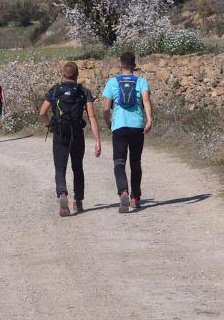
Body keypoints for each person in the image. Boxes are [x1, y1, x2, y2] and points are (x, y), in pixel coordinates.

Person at [39, 62, 101, 216]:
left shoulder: (55, 89)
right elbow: (92, 117)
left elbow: (42, 112)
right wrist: (97, 140)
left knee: (60, 168)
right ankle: (78, 201)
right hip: (77, 133)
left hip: (60, 132)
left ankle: (62, 195)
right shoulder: (83, 91)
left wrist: (49, 125)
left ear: (63, 74)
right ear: (77, 74)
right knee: (77, 167)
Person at [102, 51, 153, 213]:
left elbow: (105, 107)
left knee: (119, 162)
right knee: (135, 163)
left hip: (119, 127)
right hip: (137, 126)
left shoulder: (112, 82)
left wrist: (108, 121)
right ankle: (135, 197)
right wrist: (149, 119)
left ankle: (123, 191)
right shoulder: (141, 81)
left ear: (120, 63)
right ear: (134, 65)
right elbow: (146, 101)